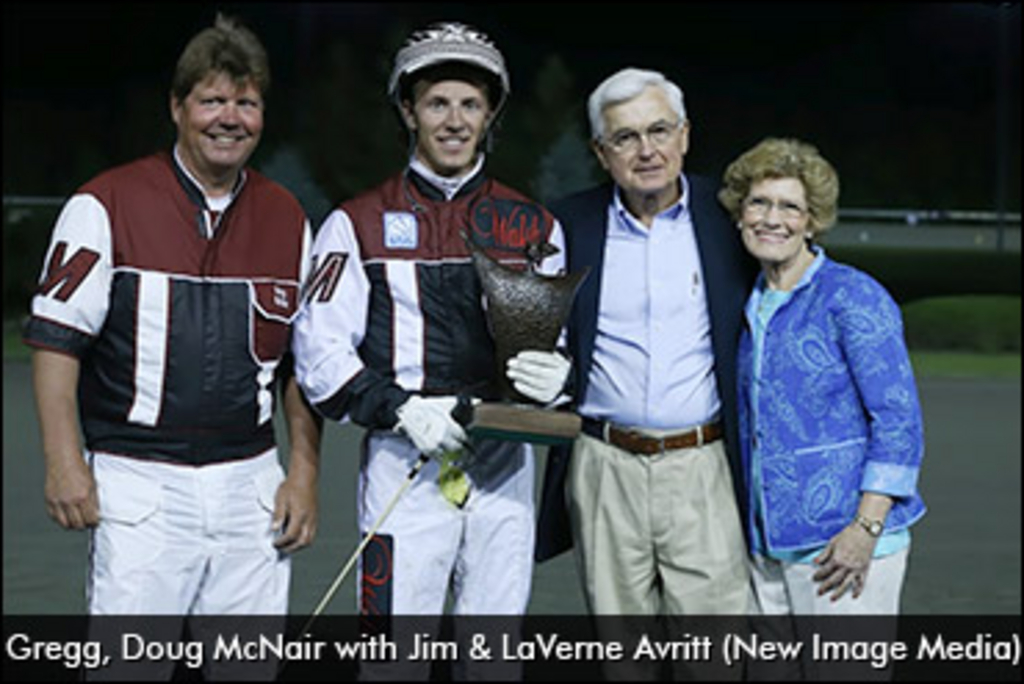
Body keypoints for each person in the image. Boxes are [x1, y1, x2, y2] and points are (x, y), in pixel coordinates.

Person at [23, 13, 321, 629]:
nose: (230, 118)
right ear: (177, 107)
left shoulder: (289, 217)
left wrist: (304, 475)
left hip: (250, 487)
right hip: (140, 483)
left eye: (246, 102)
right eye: (212, 100)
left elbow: (302, 365)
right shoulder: (103, 203)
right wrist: (63, 460)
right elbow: (57, 342)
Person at [292, 21, 566, 678]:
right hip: (402, 460)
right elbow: (319, 352)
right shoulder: (353, 222)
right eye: (437, 102)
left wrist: (558, 377)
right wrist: (400, 409)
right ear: (408, 110)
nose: (454, 120)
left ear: (490, 113)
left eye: (470, 103)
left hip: (505, 462)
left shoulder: (533, 226)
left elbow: (552, 350)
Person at [535, 67, 757, 624]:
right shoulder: (566, 224)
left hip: (702, 465)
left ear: (684, 135)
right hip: (603, 465)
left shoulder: (732, 219)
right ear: (600, 150)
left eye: (659, 130)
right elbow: (540, 334)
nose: (647, 150)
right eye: (625, 137)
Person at [719, 138, 926, 678]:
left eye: (790, 207)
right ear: (740, 213)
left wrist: (865, 530)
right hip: (765, 548)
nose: (772, 218)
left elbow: (899, 421)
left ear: (813, 222)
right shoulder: (743, 303)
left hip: (843, 548)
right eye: (760, 203)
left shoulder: (853, 297)